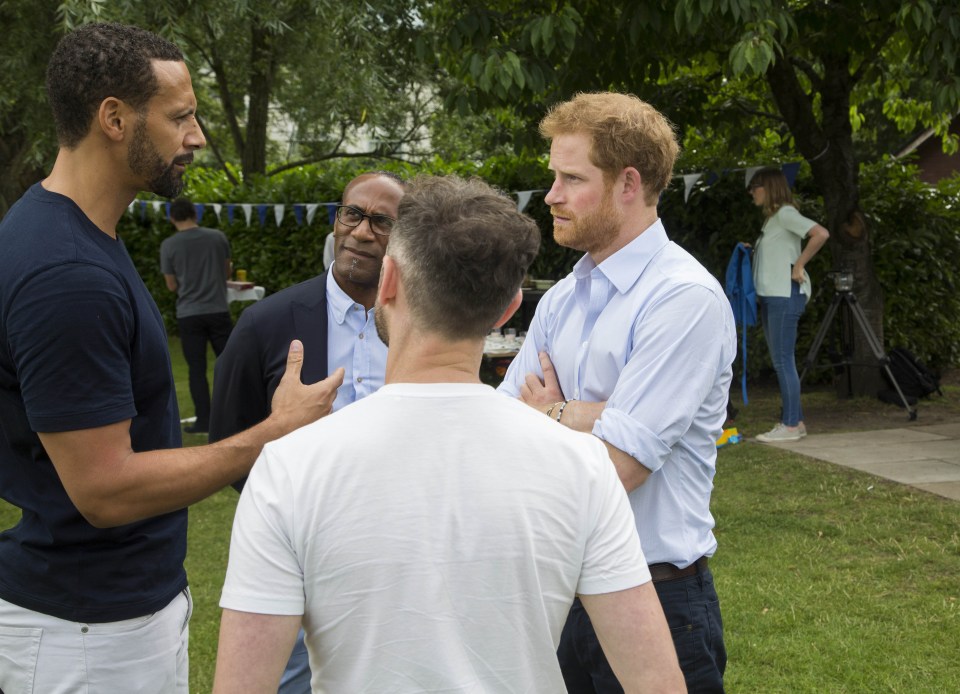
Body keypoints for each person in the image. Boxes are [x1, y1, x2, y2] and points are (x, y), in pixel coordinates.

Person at [212, 175, 686, 694]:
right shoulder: (582, 465)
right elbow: (657, 681)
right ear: (508, 309)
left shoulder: (289, 466)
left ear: (387, 280)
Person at [0, 23, 342, 694]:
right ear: (114, 118)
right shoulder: (67, 273)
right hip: (87, 637)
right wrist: (273, 433)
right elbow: (104, 489)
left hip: (109, 618)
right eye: (181, 116)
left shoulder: (75, 234)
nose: (198, 137)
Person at [498, 91, 736, 693]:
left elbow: (617, 469)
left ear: (628, 183)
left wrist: (550, 411)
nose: (550, 195)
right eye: (553, 177)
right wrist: (591, 417)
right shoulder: (562, 297)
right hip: (561, 594)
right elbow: (500, 432)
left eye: (571, 178)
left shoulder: (683, 298)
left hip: (660, 597)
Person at [208, 170, 404, 692]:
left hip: (400, 553)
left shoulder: (423, 327)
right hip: (298, 555)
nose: (361, 231)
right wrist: (288, 513)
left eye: (381, 221)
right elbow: (228, 438)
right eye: (351, 214)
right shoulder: (267, 324)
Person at [746, 167, 829, 443]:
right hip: (773, 296)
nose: (751, 192)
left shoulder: (785, 214)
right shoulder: (772, 220)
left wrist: (800, 265)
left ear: (768, 188)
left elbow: (821, 234)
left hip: (785, 295)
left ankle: (790, 425)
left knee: (783, 361)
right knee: (782, 361)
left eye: (755, 187)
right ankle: (797, 422)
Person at [161, 197, 233, 434]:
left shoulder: (169, 245)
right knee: (229, 364)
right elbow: (227, 271)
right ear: (196, 214)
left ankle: (204, 420)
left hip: (189, 313)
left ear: (172, 218)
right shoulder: (217, 237)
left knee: (196, 369)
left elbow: (171, 286)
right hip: (218, 309)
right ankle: (234, 415)